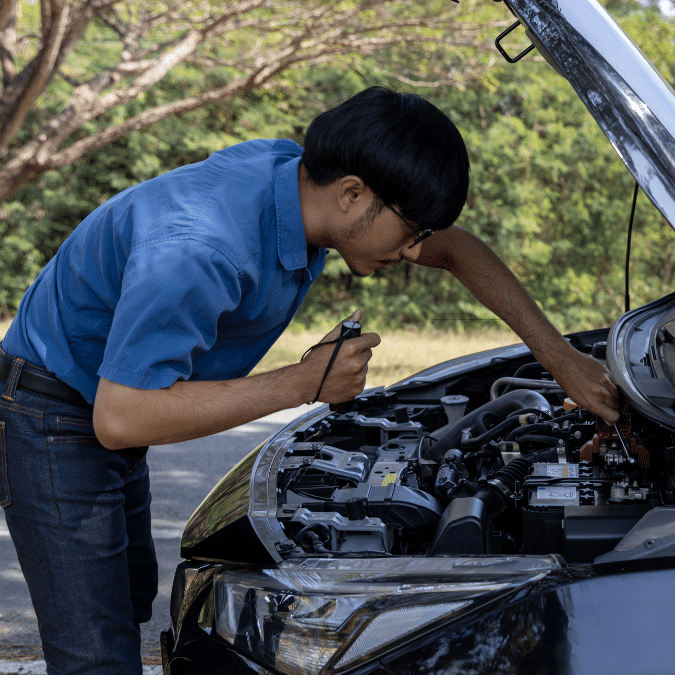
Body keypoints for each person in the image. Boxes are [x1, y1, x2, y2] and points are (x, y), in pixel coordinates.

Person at [0, 86, 620, 674]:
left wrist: (561, 359)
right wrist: (303, 383)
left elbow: (457, 249)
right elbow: (122, 417)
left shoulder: (299, 184)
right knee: (93, 650)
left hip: (107, 393)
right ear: (353, 194)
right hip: (53, 410)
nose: (413, 251)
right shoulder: (201, 249)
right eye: (411, 231)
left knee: (128, 601)